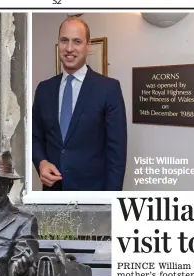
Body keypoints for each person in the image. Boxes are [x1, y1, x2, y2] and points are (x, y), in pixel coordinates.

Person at [32, 17, 127, 191]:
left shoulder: (109, 89)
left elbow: (117, 155)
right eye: (64, 41)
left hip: (93, 196)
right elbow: (35, 137)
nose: (69, 48)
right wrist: (41, 162)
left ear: (88, 46)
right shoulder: (44, 89)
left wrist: (109, 204)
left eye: (77, 41)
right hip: (53, 194)